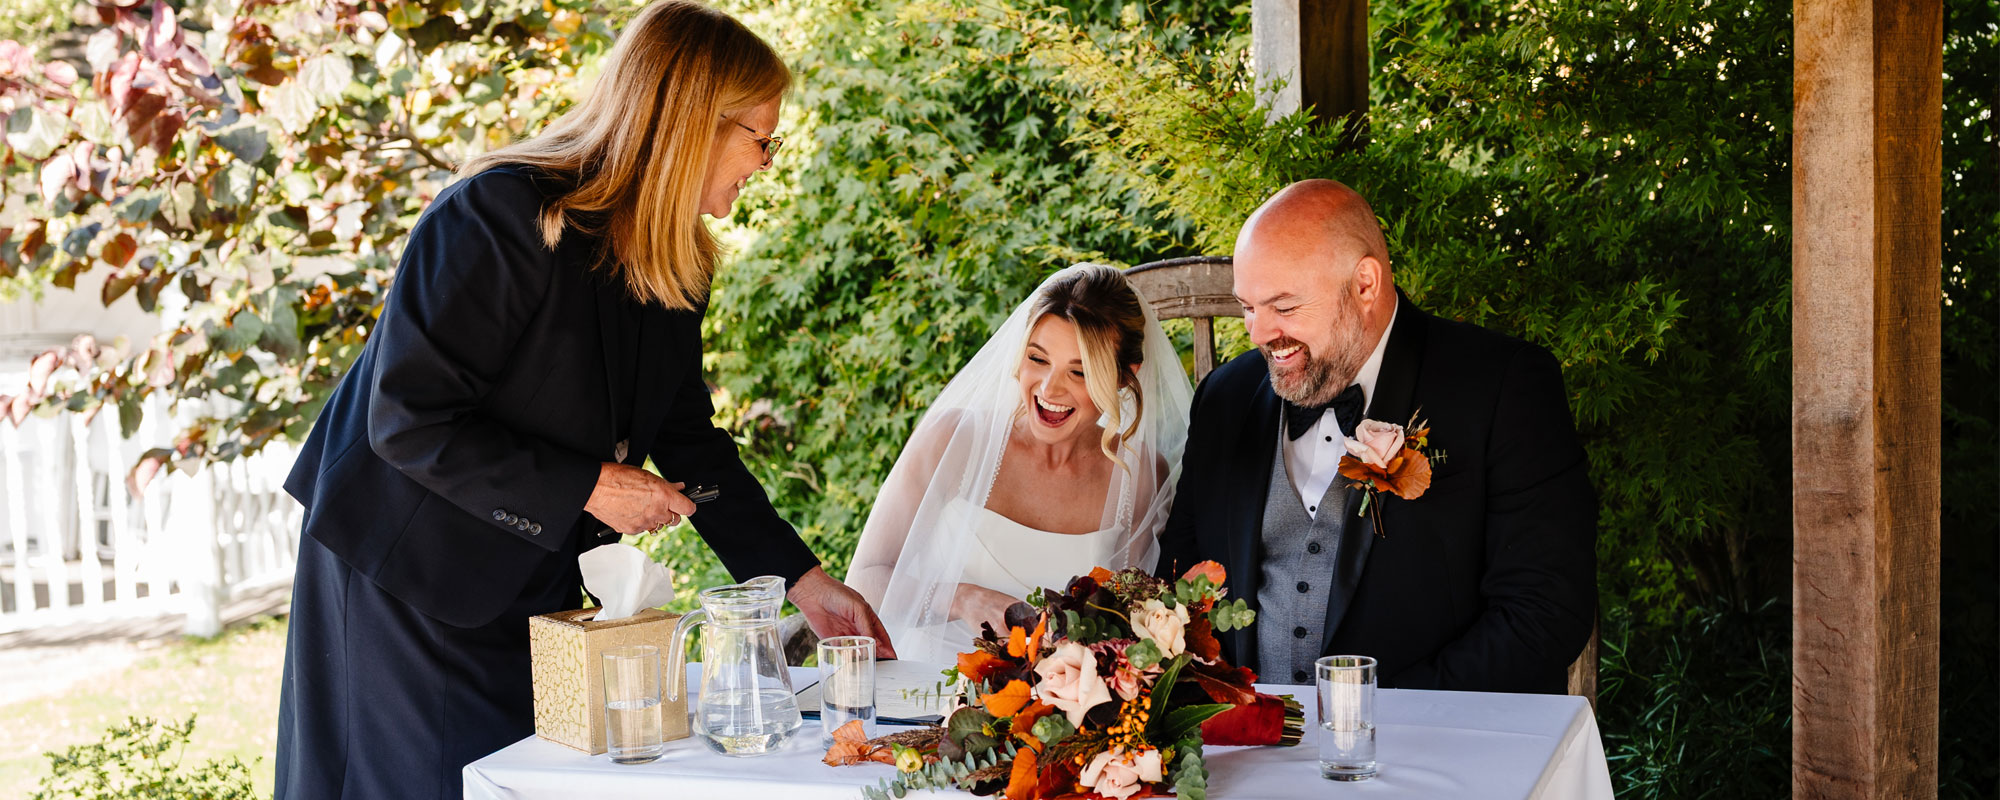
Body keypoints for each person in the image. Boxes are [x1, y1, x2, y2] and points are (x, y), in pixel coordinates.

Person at [274, 3, 893, 797]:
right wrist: (595, 485)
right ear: (692, 122)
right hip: (406, 572)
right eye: (761, 139)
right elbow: (408, 419)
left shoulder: (677, 262)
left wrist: (802, 580)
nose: (767, 162)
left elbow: (689, 442)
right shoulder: (497, 218)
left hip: (532, 577)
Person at [1155, 179, 1596, 692]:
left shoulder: (1502, 386)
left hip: (1438, 746)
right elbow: (1177, 590)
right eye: (1248, 307)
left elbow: (1544, 614)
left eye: (1285, 307)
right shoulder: (1224, 400)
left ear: (1365, 283)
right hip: (1248, 754)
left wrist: (1383, 718)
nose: (1257, 334)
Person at [847, 264, 1193, 663]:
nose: (1049, 389)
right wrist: (965, 599)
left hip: (1055, 709)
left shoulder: (1138, 477)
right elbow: (865, 579)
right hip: (920, 689)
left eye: (1079, 372)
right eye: (1037, 358)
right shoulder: (954, 440)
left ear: (1122, 377)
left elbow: (1128, 627)